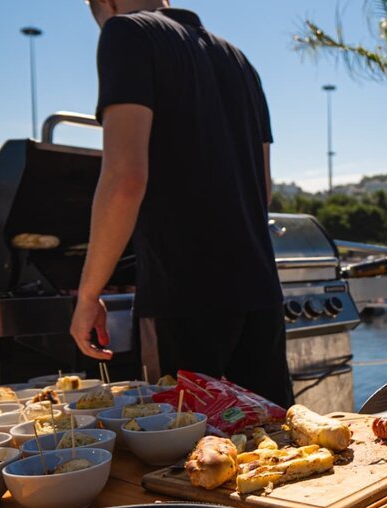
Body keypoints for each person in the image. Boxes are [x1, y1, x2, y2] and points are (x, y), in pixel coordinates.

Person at [70, 0, 293, 408]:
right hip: (259, 291)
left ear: (105, 3)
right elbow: (263, 190)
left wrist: (88, 295)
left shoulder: (126, 33)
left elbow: (125, 178)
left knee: (181, 458)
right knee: (275, 449)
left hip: (183, 296)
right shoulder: (239, 60)